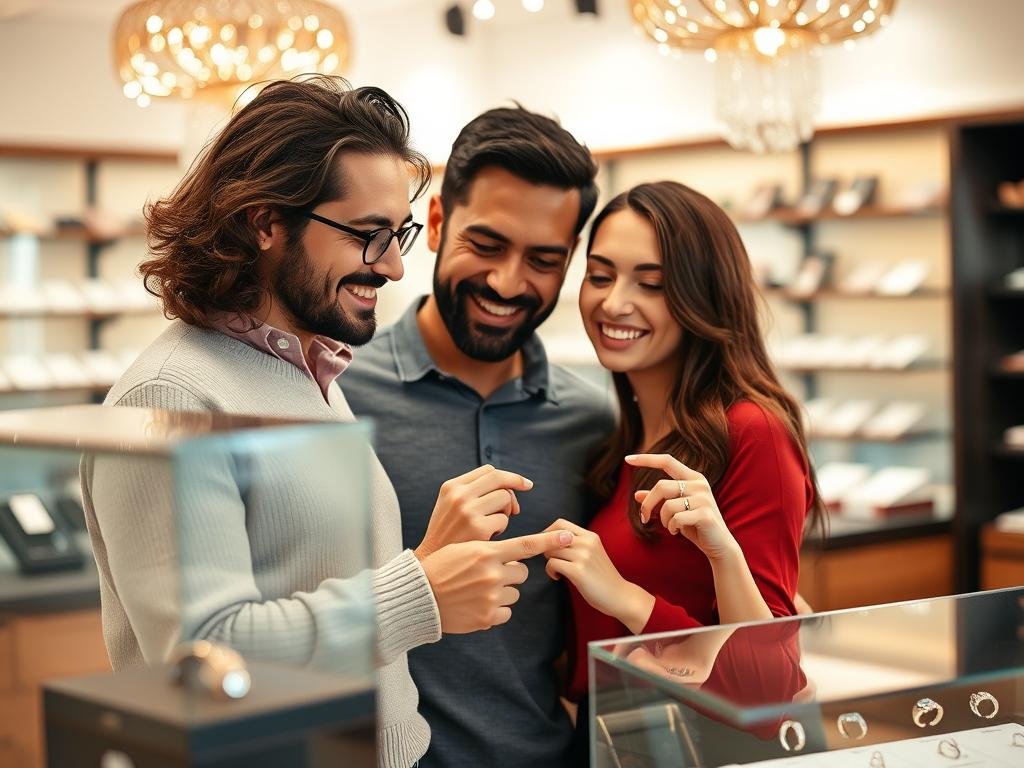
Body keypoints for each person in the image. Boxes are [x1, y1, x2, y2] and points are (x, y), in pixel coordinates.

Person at [79, 77, 574, 768]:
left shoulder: (312, 373)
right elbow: (203, 660)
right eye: (369, 236)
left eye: (397, 234)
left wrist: (424, 563)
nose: (397, 266)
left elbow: (325, 589)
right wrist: (421, 591)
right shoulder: (169, 395)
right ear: (265, 222)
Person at [342, 106, 615, 767]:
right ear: (436, 223)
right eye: (486, 245)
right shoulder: (336, 397)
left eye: (543, 259)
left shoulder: (594, 423)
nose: (506, 282)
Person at [538, 181, 824, 754]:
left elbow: (764, 690)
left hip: (702, 745)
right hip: (617, 739)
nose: (615, 302)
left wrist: (625, 597)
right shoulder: (620, 439)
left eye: (653, 284)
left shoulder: (751, 432)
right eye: (600, 275)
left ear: (703, 297)